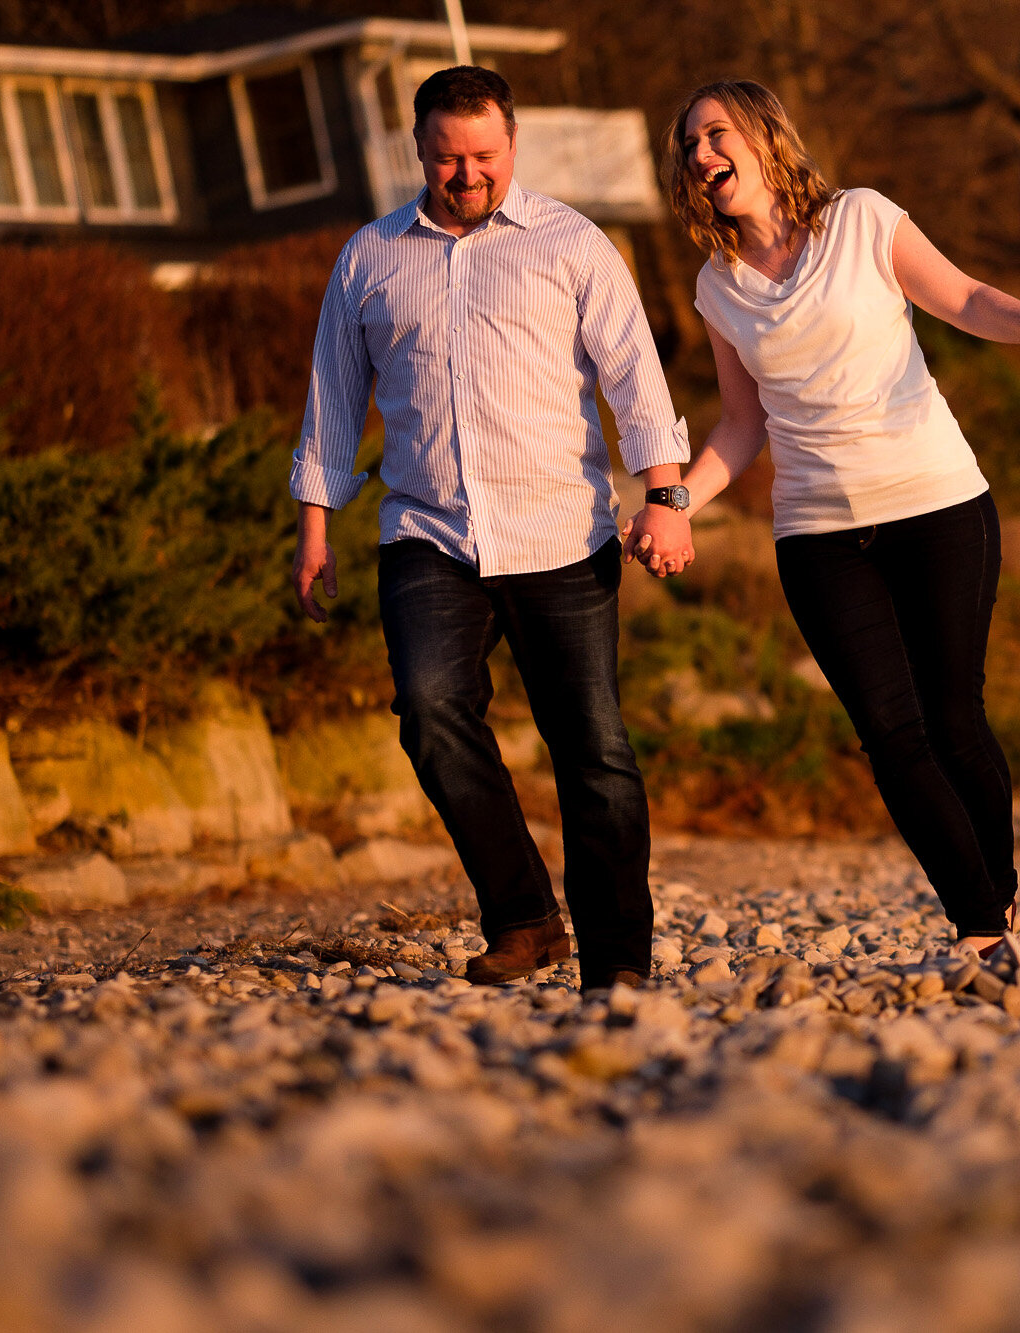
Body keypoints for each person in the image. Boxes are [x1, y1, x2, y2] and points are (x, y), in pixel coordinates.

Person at [631, 80, 1020, 958]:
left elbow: (961, 298)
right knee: (891, 734)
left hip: (937, 505)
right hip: (817, 535)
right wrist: (675, 502)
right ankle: (979, 924)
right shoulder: (716, 286)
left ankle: (996, 896)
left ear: (767, 138)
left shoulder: (862, 220)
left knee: (955, 720)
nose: (699, 155)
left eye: (715, 134)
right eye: (688, 144)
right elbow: (742, 424)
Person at [291, 66, 692, 990]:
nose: (465, 175)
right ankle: (523, 917)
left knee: (592, 745)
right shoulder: (370, 256)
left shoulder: (572, 243)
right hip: (428, 536)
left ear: (512, 147)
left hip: (561, 536)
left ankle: (619, 958)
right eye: (445, 158)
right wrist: (315, 531)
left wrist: (664, 500)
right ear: (419, 153)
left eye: (483, 156)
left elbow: (635, 377)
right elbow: (332, 402)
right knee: (431, 715)